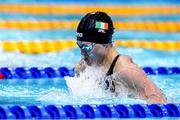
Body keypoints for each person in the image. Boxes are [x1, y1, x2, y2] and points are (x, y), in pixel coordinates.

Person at [75, 11, 167, 103]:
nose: (82, 52)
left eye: (87, 47)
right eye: (79, 45)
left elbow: (159, 100)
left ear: (104, 43)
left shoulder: (125, 70)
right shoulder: (84, 67)